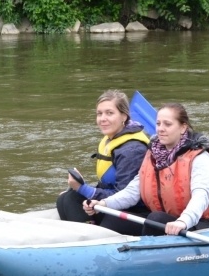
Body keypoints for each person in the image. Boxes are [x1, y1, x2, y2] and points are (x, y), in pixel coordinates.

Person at [85, 103, 209, 236]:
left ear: (183, 128)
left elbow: (201, 197)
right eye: (158, 124)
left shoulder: (200, 157)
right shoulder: (153, 155)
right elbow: (132, 192)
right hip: (164, 221)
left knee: (156, 218)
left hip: (198, 224)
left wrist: (183, 221)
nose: (160, 129)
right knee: (113, 219)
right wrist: (104, 203)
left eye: (167, 124)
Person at [56, 90, 149, 235]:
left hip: (135, 211)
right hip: (112, 203)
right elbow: (107, 185)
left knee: (76, 198)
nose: (102, 119)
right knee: (66, 199)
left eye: (109, 113)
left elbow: (125, 196)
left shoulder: (132, 150)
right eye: (99, 114)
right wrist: (77, 190)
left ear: (124, 116)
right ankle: (81, 235)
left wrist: (82, 189)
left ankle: (89, 239)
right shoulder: (110, 139)